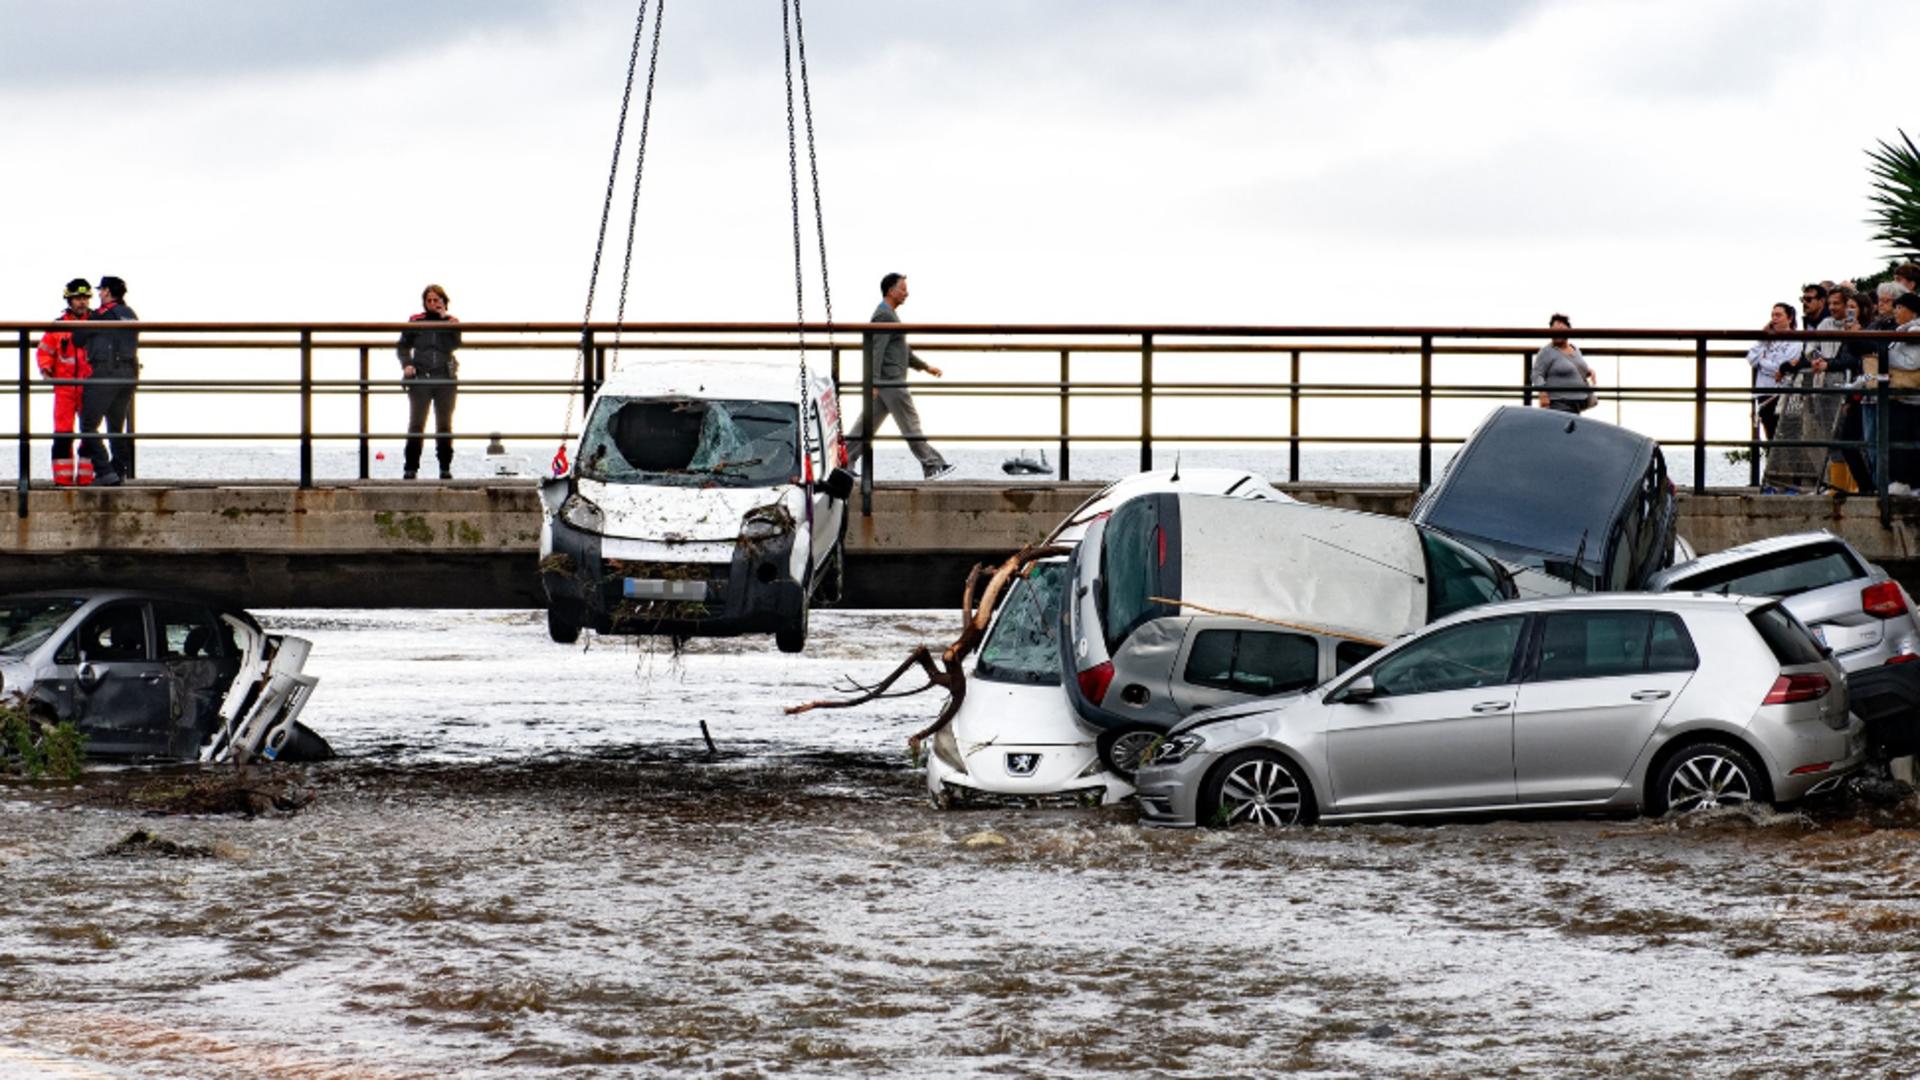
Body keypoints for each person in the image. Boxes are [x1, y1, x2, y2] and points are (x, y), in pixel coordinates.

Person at [843, 272, 955, 479]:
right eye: (903, 289)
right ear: (891, 291)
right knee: (910, 424)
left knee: (867, 424)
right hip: (891, 382)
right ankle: (932, 465)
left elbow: (902, 350)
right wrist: (874, 381)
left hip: (886, 382)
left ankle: (844, 462)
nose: (907, 293)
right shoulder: (884, 315)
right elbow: (876, 350)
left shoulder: (889, 315)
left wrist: (925, 367)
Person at [71, 275, 139, 486]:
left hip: (105, 373)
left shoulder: (101, 315)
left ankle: (104, 471)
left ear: (108, 292)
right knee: (116, 427)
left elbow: (78, 339)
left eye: (101, 290)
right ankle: (119, 471)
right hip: (129, 375)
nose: (98, 294)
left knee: (88, 424)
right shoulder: (131, 314)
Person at [397, 284, 461, 480]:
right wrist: (406, 364)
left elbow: (455, 344)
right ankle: (410, 468)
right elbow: (402, 346)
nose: (432, 304)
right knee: (416, 425)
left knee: (444, 425)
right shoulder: (415, 320)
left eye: (436, 300)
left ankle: (444, 467)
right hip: (421, 377)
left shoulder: (452, 321)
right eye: (429, 300)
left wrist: (444, 321)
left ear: (443, 301)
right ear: (424, 302)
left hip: (445, 377)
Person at [35, 279, 94, 484]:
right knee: (62, 433)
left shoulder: (97, 324)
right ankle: (63, 480)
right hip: (65, 388)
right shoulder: (58, 327)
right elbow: (44, 351)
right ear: (69, 300)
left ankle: (87, 480)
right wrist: (45, 369)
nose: (82, 302)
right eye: (78, 298)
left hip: (90, 388)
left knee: (90, 434)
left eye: (85, 298)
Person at [1747, 303, 1802, 442]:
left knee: (1784, 437)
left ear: (1789, 318)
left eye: (1778, 315)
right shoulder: (1766, 340)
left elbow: (1782, 366)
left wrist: (1763, 362)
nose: (1774, 319)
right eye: (1772, 315)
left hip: (1781, 393)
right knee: (1770, 437)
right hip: (1764, 392)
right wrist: (1762, 339)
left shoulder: (1795, 341)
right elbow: (1751, 359)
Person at [1885, 292, 1920, 496]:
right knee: (1899, 441)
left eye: (1899, 307)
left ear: (1912, 311)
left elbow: (1911, 362)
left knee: (1911, 442)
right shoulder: (1901, 330)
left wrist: (1883, 354)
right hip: (1903, 396)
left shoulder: (1915, 331)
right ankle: (1904, 482)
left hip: (1913, 396)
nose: (1895, 311)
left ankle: (1912, 484)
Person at [1530, 314, 1594, 413]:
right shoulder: (1547, 351)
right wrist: (1543, 393)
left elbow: (1574, 365)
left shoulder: (1575, 349)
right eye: (1554, 330)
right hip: (1559, 402)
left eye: (1561, 329)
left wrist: (1589, 371)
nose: (1557, 333)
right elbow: (1536, 374)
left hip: (1578, 402)